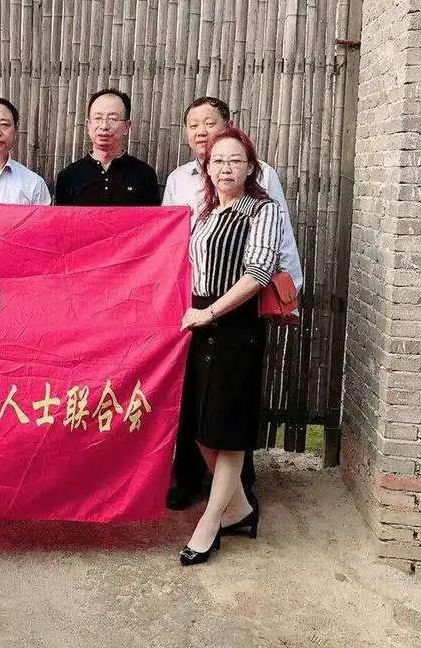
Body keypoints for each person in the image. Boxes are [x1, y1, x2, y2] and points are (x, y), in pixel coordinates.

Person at [163, 96, 303, 512]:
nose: (202, 131)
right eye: (194, 124)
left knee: (229, 417)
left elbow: (272, 252)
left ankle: (227, 508)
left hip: (236, 313)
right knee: (197, 414)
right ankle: (216, 496)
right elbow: (171, 243)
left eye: (210, 123)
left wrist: (290, 292)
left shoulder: (262, 195)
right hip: (195, 310)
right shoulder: (190, 192)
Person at [177, 127, 281, 565]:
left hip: (236, 325)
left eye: (235, 160)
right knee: (199, 424)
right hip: (199, 321)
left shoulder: (262, 210)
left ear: (250, 167)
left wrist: (211, 312)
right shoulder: (204, 212)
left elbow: (258, 274)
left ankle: (210, 523)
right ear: (207, 167)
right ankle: (239, 509)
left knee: (228, 429)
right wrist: (196, 314)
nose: (225, 168)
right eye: (217, 160)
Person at [54, 88, 159, 206]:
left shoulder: (145, 175)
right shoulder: (68, 177)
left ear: (126, 126)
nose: (104, 126)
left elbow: (154, 218)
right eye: (98, 118)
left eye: (112, 119)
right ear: (88, 125)